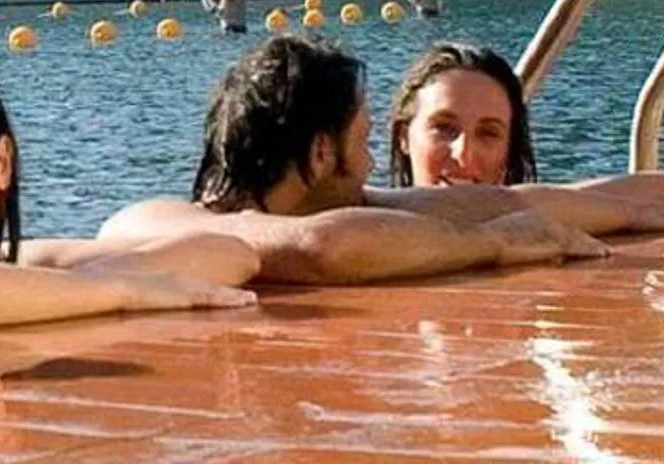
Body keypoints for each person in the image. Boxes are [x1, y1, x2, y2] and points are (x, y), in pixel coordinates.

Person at [99, 36, 622, 284]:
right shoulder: (154, 221)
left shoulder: (313, 205)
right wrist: (502, 242)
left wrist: (645, 205)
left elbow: (492, 200)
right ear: (323, 152)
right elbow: (320, 248)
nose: (372, 166)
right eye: (365, 143)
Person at [0, 49, 257, 327]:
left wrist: (91, 282)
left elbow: (231, 255)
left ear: (1, 163)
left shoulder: (26, 263)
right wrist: (126, 290)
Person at [380, 43, 664, 236]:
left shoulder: (525, 210)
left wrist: (547, 204)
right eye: (444, 128)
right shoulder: (365, 214)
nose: (464, 152)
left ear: (508, 152)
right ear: (403, 138)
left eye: (488, 133)